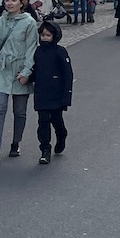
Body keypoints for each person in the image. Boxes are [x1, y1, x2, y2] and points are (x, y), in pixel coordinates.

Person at [0, 0, 38, 162]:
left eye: (13, 0)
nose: (9, 3)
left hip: (19, 71)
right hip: (2, 70)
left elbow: (32, 49)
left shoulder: (29, 22)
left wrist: (26, 72)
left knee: (19, 111)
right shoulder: (0, 22)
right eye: (7, 0)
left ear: (21, 3)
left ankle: (16, 142)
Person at [30, 20, 74, 164]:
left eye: (48, 35)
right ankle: (45, 149)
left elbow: (67, 74)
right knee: (43, 121)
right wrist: (27, 77)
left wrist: (66, 95)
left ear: (54, 36)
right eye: (43, 35)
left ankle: (61, 135)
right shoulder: (38, 52)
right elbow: (36, 70)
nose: (45, 38)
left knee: (56, 120)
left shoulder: (60, 52)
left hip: (56, 92)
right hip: (41, 92)